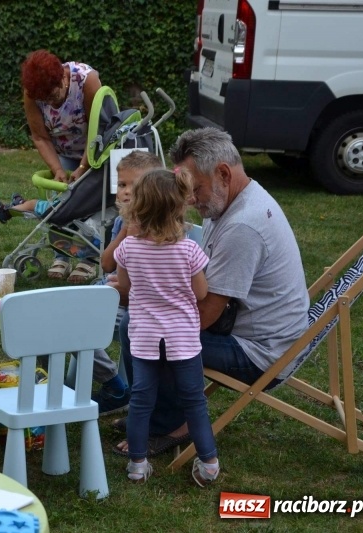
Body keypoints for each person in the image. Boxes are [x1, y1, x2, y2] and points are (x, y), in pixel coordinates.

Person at [113, 127, 310, 458]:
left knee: (139, 328)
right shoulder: (234, 200)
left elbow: (205, 315)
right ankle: (152, 411)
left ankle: (169, 422)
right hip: (259, 332)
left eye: (195, 188)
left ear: (223, 174)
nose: (190, 200)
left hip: (260, 352)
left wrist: (146, 297)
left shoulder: (243, 226)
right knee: (140, 323)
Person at [113, 167, 218, 485]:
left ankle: (137, 464)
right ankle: (209, 462)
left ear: (138, 206)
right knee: (194, 401)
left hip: (144, 337)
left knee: (141, 400)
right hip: (183, 339)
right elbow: (201, 293)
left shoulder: (127, 248)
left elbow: (124, 287)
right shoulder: (189, 250)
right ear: (179, 208)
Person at [89, 150, 164, 415]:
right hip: (110, 293)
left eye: (136, 185)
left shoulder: (164, 228)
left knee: (74, 324)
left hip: (137, 307)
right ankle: (113, 383)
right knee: (61, 315)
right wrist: (124, 230)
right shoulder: (122, 221)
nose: (127, 192)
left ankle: (116, 389)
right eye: (122, 184)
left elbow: (157, 284)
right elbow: (107, 264)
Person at [21, 49, 101, 283]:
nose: (49, 102)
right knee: (59, 202)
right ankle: (62, 255)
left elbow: (97, 129)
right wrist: (58, 169)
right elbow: (39, 136)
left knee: (89, 203)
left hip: (95, 150)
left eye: (52, 95)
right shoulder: (33, 92)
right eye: (43, 99)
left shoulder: (87, 80)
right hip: (63, 152)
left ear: (62, 79)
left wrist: (84, 166)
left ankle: (89, 259)